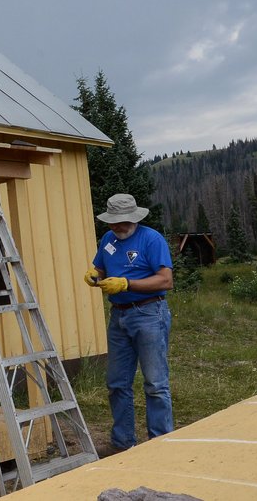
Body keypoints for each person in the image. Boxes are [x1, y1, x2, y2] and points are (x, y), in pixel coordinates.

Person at [83, 193, 174, 453]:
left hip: (149, 313)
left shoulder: (151, 239)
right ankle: (123, 443)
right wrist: (94, 274)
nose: (116, 227)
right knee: (116, 382)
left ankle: (160, 444)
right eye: (112, 222)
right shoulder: (108, 239)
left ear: (133, 219)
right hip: (119, 315)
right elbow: (100, 267)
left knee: (155, 383)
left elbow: (166, 281)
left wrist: (127, 284)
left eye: (121, 222)